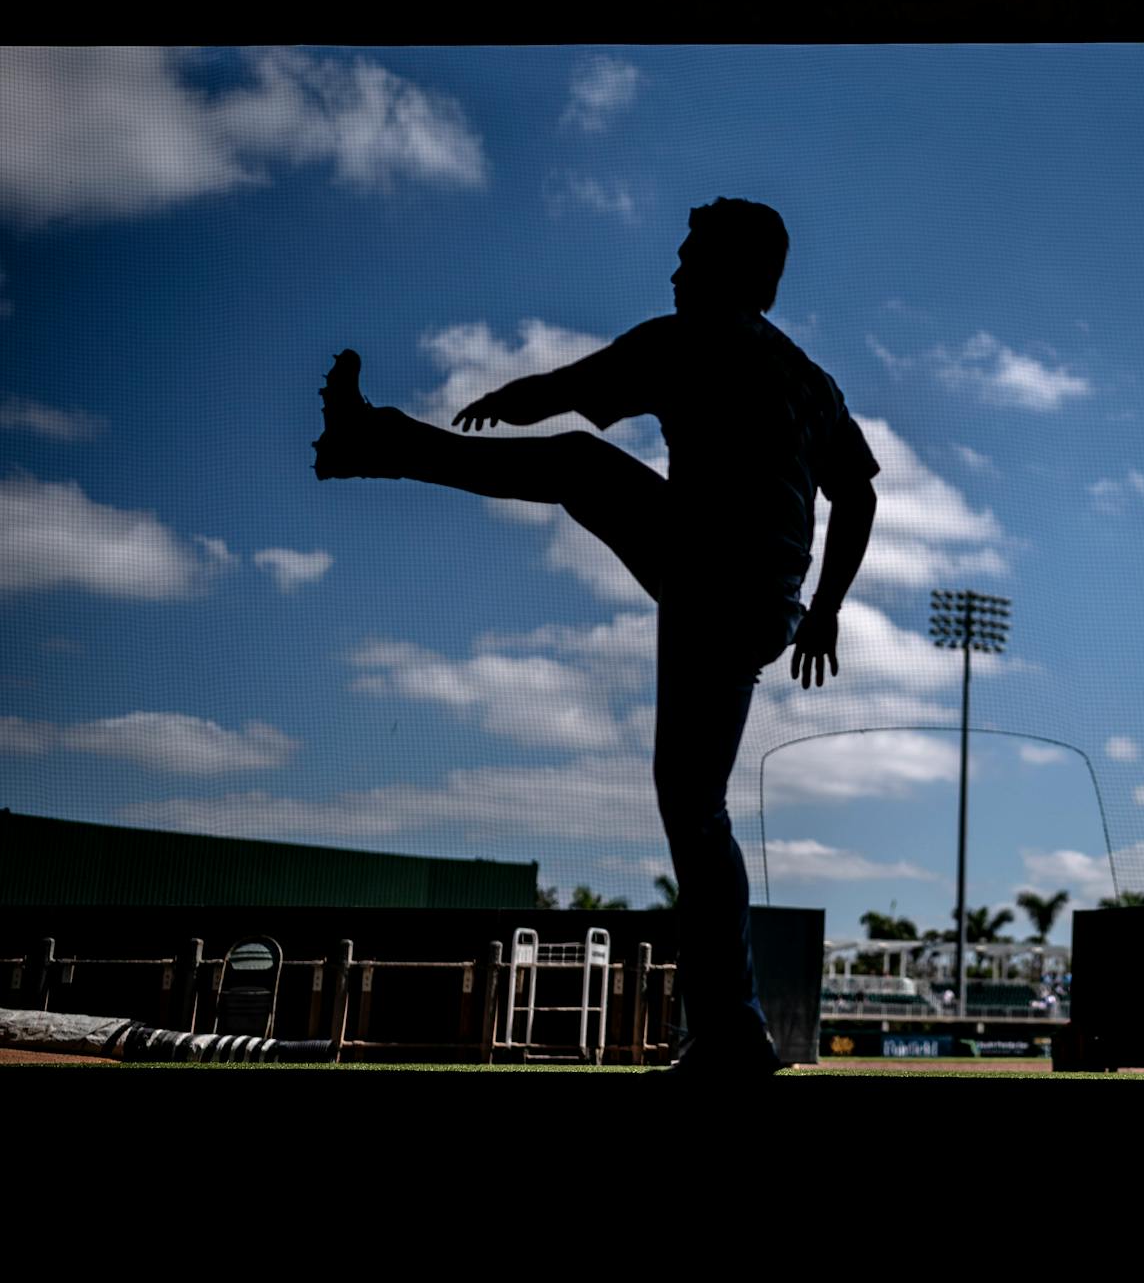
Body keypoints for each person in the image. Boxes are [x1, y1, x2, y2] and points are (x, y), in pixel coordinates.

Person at [312, 197, 881, 1079]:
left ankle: (373, 444)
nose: (675, 271)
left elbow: (572, 390)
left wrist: (510, 398)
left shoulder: (691, 337)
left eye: (689, 256)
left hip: (711, 574)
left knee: (579, 463)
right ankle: (735, 1031)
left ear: (735, 272)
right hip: (763, 605)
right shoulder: (808, 376)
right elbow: (861, 494)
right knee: (699, 815)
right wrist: (828, 608)